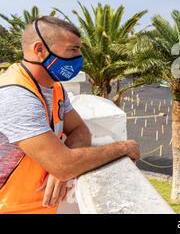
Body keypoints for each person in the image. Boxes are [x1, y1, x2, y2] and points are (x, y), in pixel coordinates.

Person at [0, 16, 140, 214]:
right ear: (39, 50)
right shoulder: (16, 95)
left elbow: (79, 130)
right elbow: (64, 165)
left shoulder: (54, 88)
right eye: (73, 49)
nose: (79, 58)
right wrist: (124, 147)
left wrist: (62, 167)